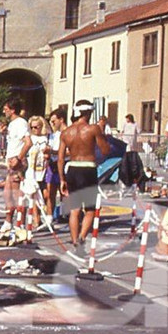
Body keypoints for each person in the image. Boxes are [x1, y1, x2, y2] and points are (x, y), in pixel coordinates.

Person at [58, 100, 111, 249]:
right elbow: (106, 150)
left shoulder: (66, 132)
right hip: (88, 168)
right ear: (87, 113)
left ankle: (74, 241)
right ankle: (81, 237)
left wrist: (62, 179)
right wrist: (102, 133)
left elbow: (61, 159)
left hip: (72, 168)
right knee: (90, 209)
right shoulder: (93, 129)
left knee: (74, 209)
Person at [1, 98, 31, 229]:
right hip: (11, 161)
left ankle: (20, 224)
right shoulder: (13, 124)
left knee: (17, 194)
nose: (4, 111)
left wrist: (18, 158)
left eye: (6, 109)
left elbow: (28, 142)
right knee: (7, 194)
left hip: (17, 162)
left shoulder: (21, 123)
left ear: (13, 110)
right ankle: (8, 222)